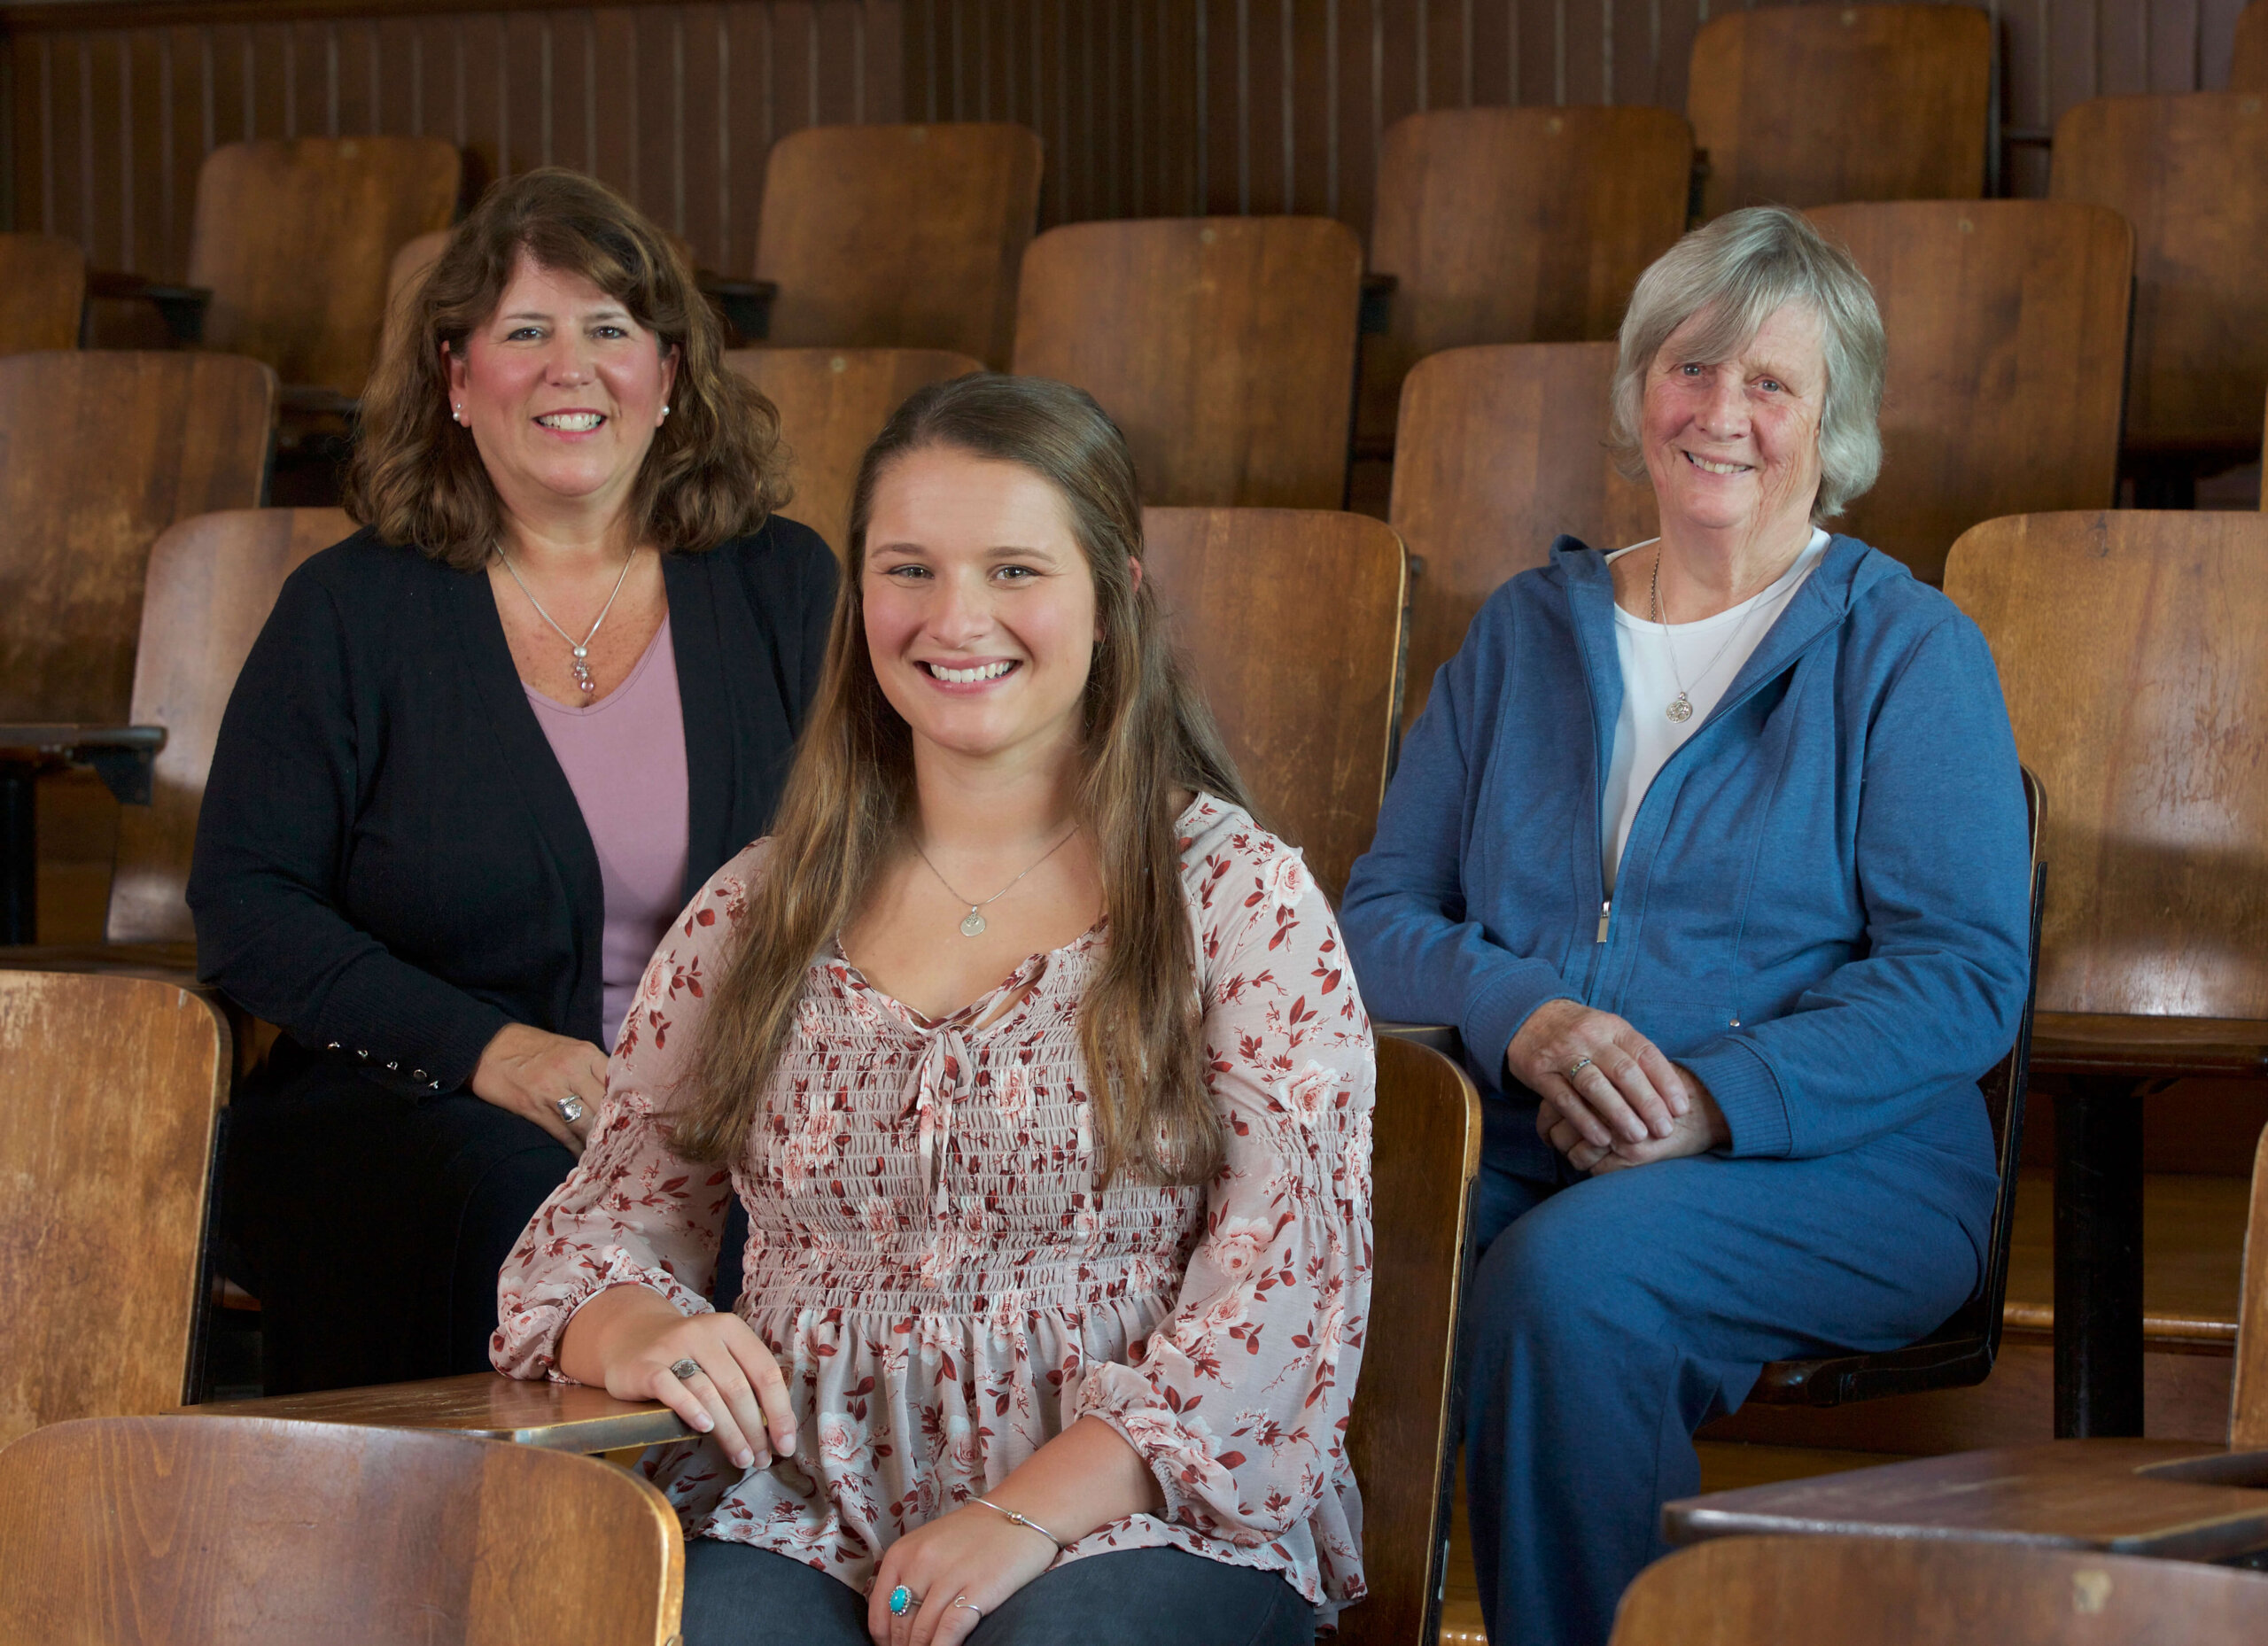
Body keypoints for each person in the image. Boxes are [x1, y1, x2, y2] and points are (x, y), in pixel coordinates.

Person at [493, 373, 1374, 1646]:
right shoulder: (758, 907)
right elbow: (602, 1229)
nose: (957, 618)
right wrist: (631, 1325)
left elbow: (1284, 1302)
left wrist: (1020, 1516)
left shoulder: (1234, 895)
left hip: (1139, 1507)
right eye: (911, 570)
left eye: (1016, 568)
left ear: (1115, 596)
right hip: (800, 1506)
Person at [1339, 206, 2031, 1646]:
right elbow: (1377, 918)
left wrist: (1713, 1099)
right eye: (1690, 369)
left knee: (1572, 1285)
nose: (1722, 414)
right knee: (1309, 1225)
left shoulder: (1907, 649)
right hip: (1532, 1137)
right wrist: (1523, 1013)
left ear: (1832, 426)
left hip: (1849, 1163)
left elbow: (1962, 978)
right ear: (1639, 390)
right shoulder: (1521, 638)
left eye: (1770, 385)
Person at [189, 168, 836, 1394]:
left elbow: (872, 863)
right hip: (411, 1107)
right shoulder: (350, 611)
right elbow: (245, 907)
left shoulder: (780, 586)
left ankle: (755, 1548)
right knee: (527, 1195)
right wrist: (487, 1048)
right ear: (455, 380)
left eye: (609, 331)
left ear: (672, 375)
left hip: (728, 1106)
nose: (569, 367)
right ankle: (538, 1544)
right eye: (524, 333)